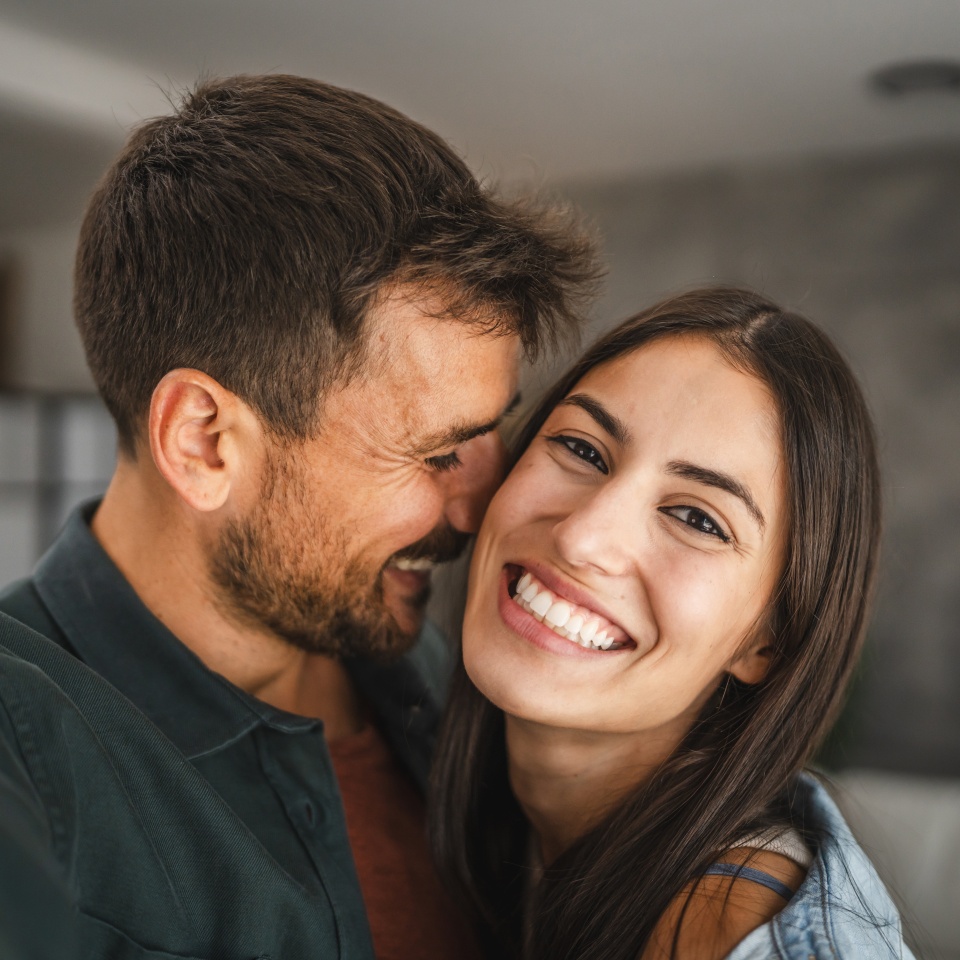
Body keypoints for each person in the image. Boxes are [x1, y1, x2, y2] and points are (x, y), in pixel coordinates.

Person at [0, 74, 599, 959]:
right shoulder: (21, 751)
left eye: (494, 432)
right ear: (205, 441)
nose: (484, 508)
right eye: (437, 453)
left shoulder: (435, 665)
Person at [431, 287, 915, 960]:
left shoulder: (741, 934)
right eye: (582, 448)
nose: (583, 537)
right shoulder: (477, 811)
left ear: (767, 643)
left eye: (696, 518)